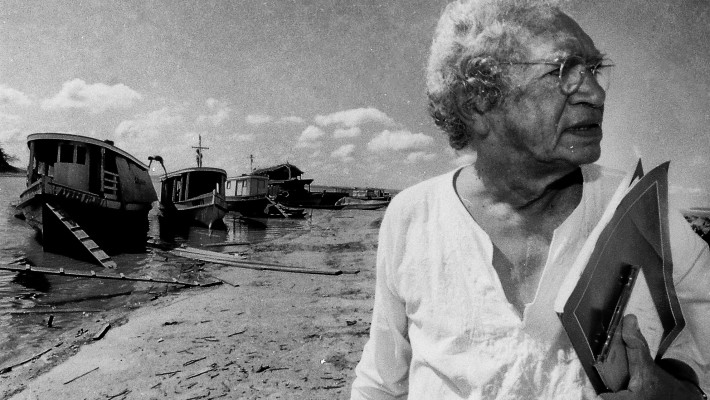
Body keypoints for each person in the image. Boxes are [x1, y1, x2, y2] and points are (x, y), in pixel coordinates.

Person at [350, 1, 710, 399]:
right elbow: (380, 384)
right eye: (563, 71)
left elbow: (698, 369)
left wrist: (665, 392)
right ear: (479, 101)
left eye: (593, 69)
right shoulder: (412, 216)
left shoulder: (646, 215)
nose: (594, 92)